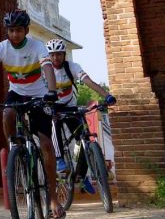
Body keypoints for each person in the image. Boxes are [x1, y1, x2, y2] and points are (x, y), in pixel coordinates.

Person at [0, 9, 66, 219]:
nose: (15, 34)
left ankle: (53, 199)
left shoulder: (37, 46)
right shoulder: (1, 48)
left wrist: (51, 91)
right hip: (16, 93)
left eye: (19, 30)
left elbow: (48, 68)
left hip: (39, 95)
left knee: (46, 145)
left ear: (26, 30)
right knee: (7, 113)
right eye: (11, 30)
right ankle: (14, 146)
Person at [45, 37, 115, 193]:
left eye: (59, 54)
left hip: (70, 106)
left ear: (64, 55)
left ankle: (82, 177)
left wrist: (106, 95)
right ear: (48, 56)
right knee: (53, 122)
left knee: (84, 138)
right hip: (54, 108)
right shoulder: (45, 69)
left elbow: (88, 81)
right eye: (52, 55)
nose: (56, 58)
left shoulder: (72, 67)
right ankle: (59, 159)